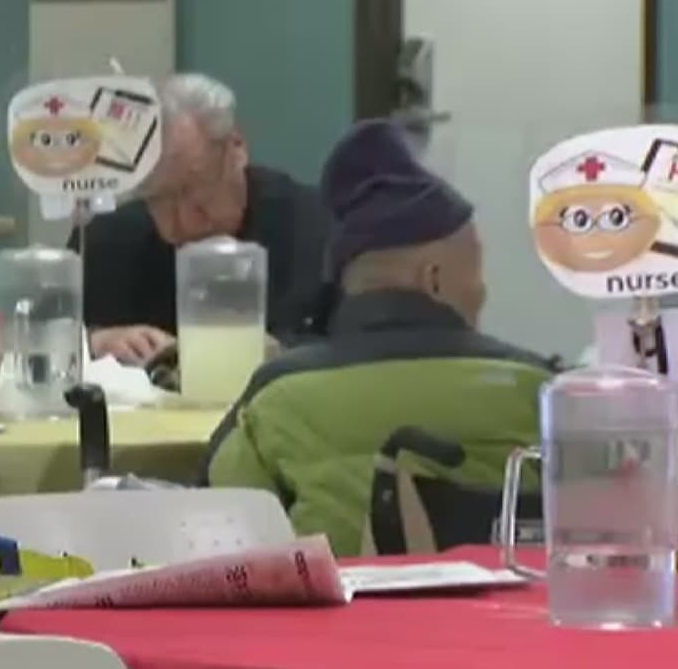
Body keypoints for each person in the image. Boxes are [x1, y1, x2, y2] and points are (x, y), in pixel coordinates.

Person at [204, 120, 555, 557]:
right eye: (476, 271)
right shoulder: (539, 393)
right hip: (505, 602)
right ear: (433, 279)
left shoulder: (275, 395)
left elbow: (220, 527)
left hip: (331, 601)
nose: (483, 290)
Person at [71, 74, 331, 365]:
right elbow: (46, 339)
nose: (184, 222)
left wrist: (280, 354)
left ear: (236, 148)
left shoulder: (318, 229)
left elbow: (353, 348)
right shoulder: (110, 240)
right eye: (159, 200)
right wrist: (94, 342)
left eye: (197, 192)